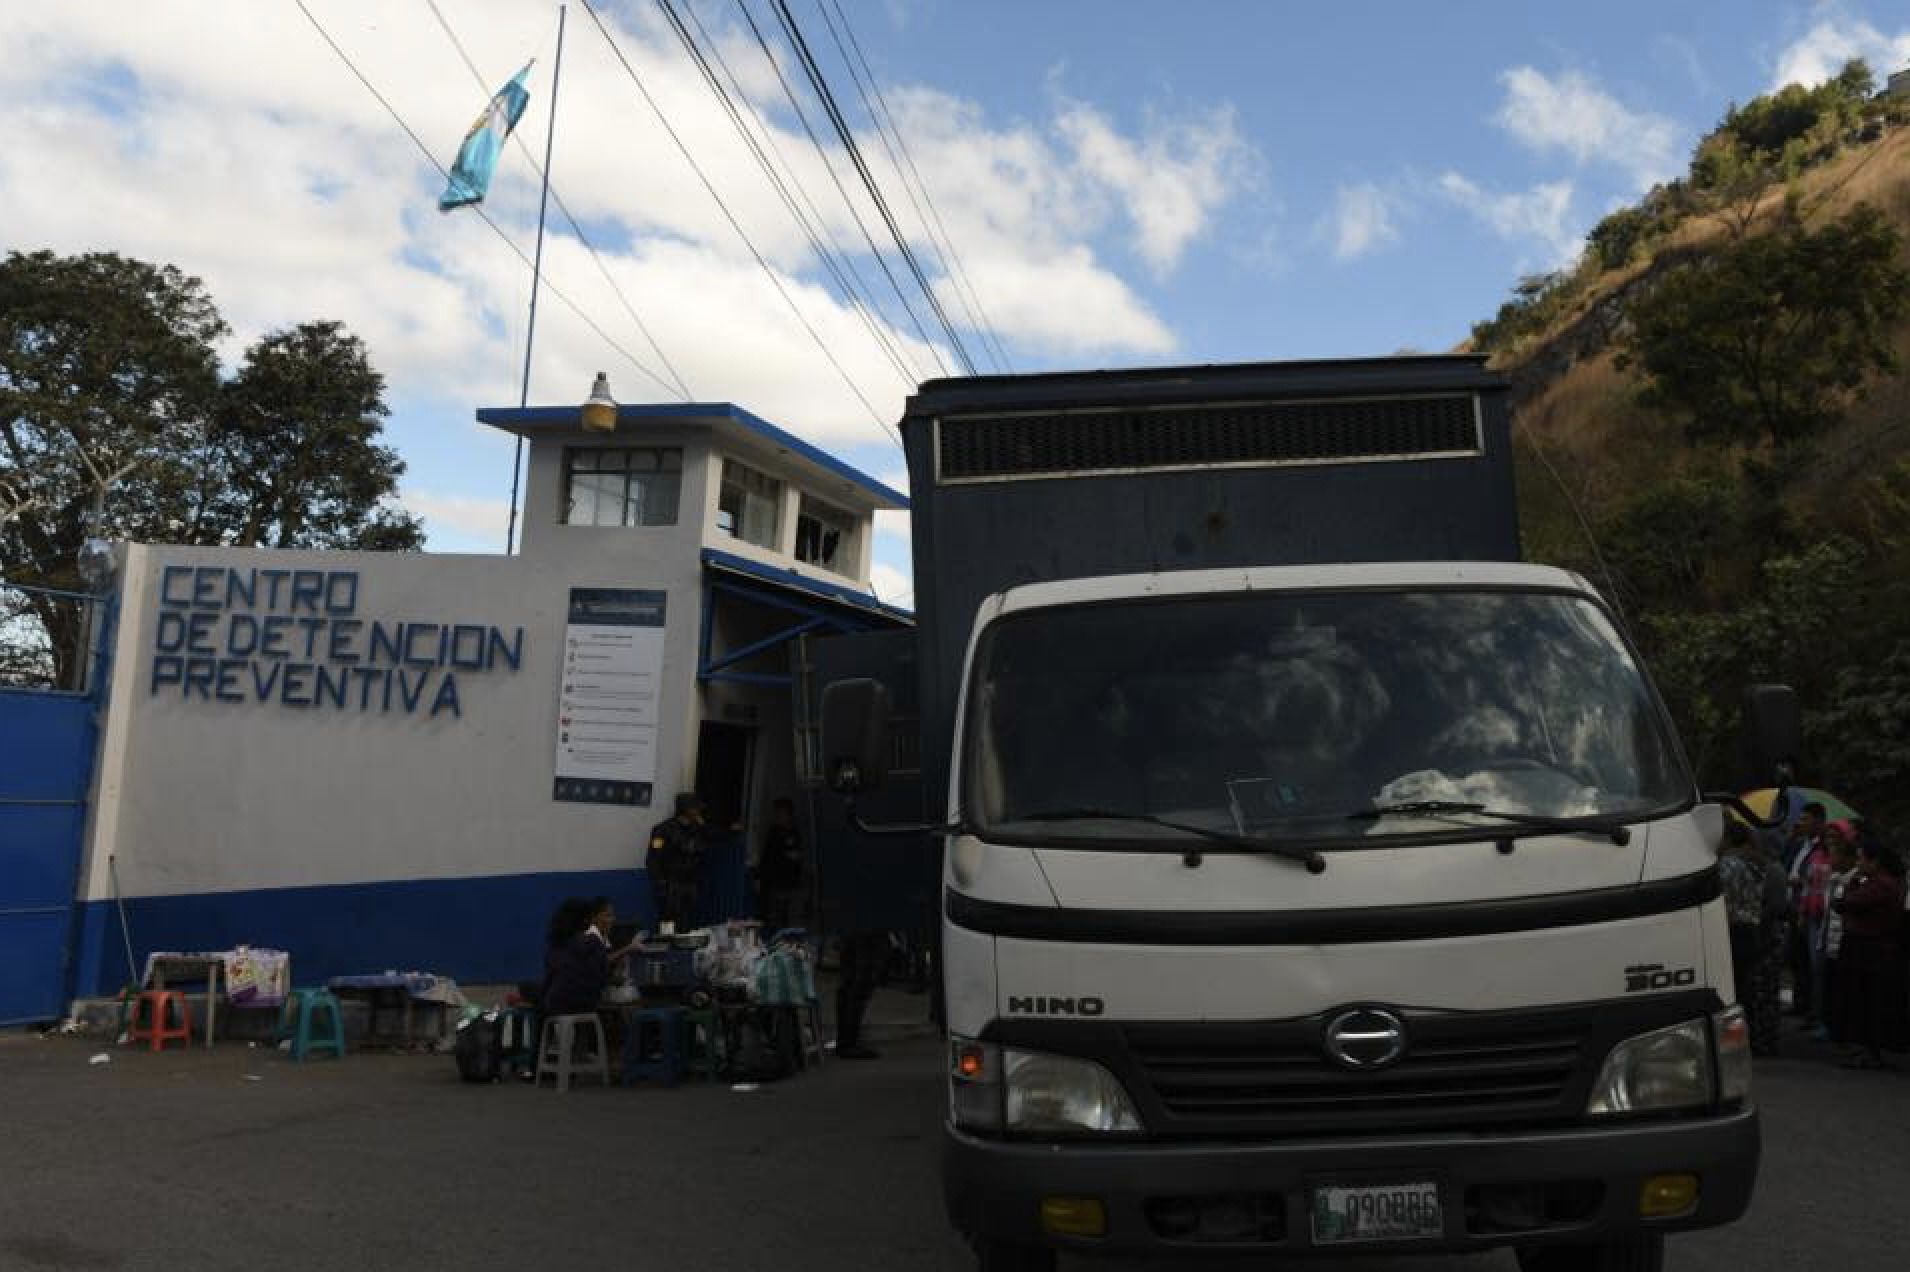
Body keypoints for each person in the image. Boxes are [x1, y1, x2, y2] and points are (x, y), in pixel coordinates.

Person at [1829, 837, 1908, 1069]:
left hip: (1872, 948)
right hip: (1864, 946)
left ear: (1875, 862)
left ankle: (1871, 1050)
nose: (1858, 863)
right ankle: (1863, 1047)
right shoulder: (1872, 882)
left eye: (1862, 859)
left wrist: (1850, 890)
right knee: (1861, 999)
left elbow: (1847, 903)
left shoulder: (1881, 885)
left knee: (1870, 1001)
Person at [1720, 822, 1781, 1053]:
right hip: (1751, 929)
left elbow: (1725, 902)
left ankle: (1734, 1041)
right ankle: (1751, 1038)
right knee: (1748, 987)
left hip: (1733, 929)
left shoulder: (1728, 865)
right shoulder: (1758, 865)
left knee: (1733, 989)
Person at [542, 897, 641, 1019]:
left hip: (560, 1003)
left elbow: (550, 976)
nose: (612, 920)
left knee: (535, 996)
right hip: (588, 1003)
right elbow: (602, 975)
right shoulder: (594, 942)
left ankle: (544, 1037)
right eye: (608, 915)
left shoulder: (558, 945)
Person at [1785, 802, 1831, 1024]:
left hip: (1814, 908)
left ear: (1819, 821)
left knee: (1815, 962)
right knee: (1798, 957)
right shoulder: (1799, 844)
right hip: (1798, 906)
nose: (1800, 823)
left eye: (1805, 819)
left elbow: (1816, 879)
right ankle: (1802, 1003)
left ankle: (1816, 1010)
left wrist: (1800, 880)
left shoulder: (1823, 848)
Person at [1818, 823, 1860, 1047]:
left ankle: (1842, 1032)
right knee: (1831, 987)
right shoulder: (1834, 880)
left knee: (1841, 990)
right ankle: (1833, 1027)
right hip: (1831, 942)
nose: (1830, 861)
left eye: (1834, 857)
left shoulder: (1851, 882)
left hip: (1842, 942)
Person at [646, 793, 707, 931]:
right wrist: (661, 884)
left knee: (687, 924)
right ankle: (666, 948)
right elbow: (653, 859)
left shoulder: (697, 830)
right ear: (686, 809)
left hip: (690, 885)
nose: (698, 812)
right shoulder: (663, 830)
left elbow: (706, 845)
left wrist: (703, 827)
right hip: (671, 885)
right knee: (668, 924)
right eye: (695, 808)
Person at [757, 797, 805, 933]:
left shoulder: (793, 835)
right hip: (770, 884)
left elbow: (795, 859)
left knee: (783, 919)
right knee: (770, 917)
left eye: (781, 813)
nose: (777, 816)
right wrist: (759, 877)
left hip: (786, 885)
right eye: (776, 813)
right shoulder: (773, 832)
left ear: (788, 814)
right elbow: (766, 857)